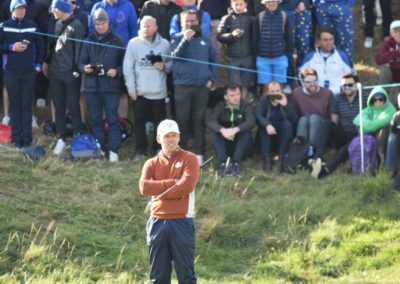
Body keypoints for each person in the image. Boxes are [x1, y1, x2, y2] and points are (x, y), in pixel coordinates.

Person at [139, 119, 200, 284]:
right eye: (166, 136)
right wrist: (173, 183)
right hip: (157, 221)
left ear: (179, 137)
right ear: (159, 139)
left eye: (174, 135)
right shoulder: (151, 163)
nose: (171, 139)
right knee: (158, 277)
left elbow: (186, 186)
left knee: (186, 277)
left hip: (181, 220)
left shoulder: (190, 159)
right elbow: (144, 187)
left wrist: (158, 189)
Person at [170, 9, 217, 165]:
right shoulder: (176, 38)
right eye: (186, 21)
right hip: (182, 85)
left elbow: (213, 61)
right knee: (182, 120)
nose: (190, 24)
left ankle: (199, 153)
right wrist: (185, 39)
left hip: (202, 86)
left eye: (193, 21)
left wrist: (212, 79)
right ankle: (180, 154)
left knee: (199, 119)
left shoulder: (206, 40)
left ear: (198, 22)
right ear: (182, 23)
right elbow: (175, 57)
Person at [79, 8, 125, 162]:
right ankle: (98, 146)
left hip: (111, 86)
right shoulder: (88, 40)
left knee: (112, 119)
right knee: (95, 118)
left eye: (103, 23)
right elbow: (80, 63)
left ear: (108, 23)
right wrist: (84, 68)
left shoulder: (117, 41)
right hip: (92, 86)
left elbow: (124, 64)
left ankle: (114, 150)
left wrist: (117, 72)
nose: (100, 27)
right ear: (94, 24)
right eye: (97, 24)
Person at [123, 15, 171, 160]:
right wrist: (131, 88)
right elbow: (127, 67)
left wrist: (163, 66)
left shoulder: (165, 44)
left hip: (159, 93)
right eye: (143, 26)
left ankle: (158, 149)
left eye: (148, 26)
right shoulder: (133, 43)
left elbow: (172, 64)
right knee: (139, 124)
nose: (145, 29)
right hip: (140, 92)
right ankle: (140, 150)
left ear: (155, 28)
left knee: (159, 125)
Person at [42, 0, 85, 155]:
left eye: (55, 9)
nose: (53, 12)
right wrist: (47, 61)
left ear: (61, 9)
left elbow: (79, 51)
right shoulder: (56, 23)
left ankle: (78, 136)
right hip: (55, 72)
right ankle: (61, 138)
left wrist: (76, 71)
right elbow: (52, 46)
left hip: (70, 73)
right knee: (59, 106)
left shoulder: (77, 26)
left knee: (73, 105)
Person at [0, 0, 44, 148]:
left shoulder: (32, 25)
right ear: (12, 9)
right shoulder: (4, 26)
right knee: (15, 105)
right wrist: (11, 47)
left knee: (26, 105)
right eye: (18, 9)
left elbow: (41, 46)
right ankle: (16, 137)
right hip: (11, 72)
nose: (21, 11)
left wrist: (38, 65)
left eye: (23, 9)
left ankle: (27, 138)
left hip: (28, 72)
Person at [310, 74, 368, 179]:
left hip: (358, 134)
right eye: (344, 85)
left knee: (345, 149)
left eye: (350, 85)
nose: (346, 87)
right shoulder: (338, 98)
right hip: (342, 133)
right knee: (327, 123)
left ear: (356, 85)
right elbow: (334, 120)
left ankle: (327, 169)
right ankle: (317, 157)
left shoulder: (364, 97)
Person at [206, 84, 255, 177]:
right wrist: (222, 130)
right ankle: (223, 164)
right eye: (232, 95)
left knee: (246, 131)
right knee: (216, 131)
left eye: (237, 94)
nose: (236, 98)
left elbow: (251, 121)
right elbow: (211, 120)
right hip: (225, 145)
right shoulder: (220, 106)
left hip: (242, 147)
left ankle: (236, 164)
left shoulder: (246, 106)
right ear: (226, 97)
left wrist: (236, 129)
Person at [217, 0, 256, 101]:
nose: (238, 7)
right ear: (231, 5)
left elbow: (256, 37)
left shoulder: (251, 19)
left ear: (246, 5)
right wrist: (231, 35)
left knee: (246, 84)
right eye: (236, 5)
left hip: (248, 57)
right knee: (235, 84)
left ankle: (243, 105)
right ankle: (236, 105)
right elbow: (219, 36)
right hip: (233, 58)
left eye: (241, 4)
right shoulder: (227, 19)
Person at [292, 68, 334, 160]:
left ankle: (313, 151)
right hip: (305, 125)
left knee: (314, 118)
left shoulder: (327, 93)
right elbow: (296, 112)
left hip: (321, 126)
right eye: (308, 82)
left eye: (315, 81)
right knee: (303, 119)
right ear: (302, 83)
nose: (312, 84)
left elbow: (332, 115)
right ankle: (300, 150)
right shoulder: (296, 93)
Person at [256, 81, 297, 172]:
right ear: (267, 92)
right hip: (267, 136)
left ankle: (281, 155)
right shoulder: (263, 102)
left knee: (287, 124)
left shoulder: (286, 101)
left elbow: (294, 120)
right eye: (272, 91)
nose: (275, 93)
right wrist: (267, 124)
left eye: (278, 91)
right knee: (263, 127)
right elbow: (258, 117)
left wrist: (285, 106)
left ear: (281, 91)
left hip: (282, 137)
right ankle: (267, 158)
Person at [300, 27, 353, 95]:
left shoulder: (342, 56)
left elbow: (350, 76)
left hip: (338, 96)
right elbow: (301, 76)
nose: (328, 42)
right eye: (325, 40)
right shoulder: (310, 57)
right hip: (315, 96)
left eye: (331, 39)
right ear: (319, 41)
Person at [353, 86, 396, 163]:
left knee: (384, 128)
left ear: (385, 99)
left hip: (384, 138)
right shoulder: (370, 109)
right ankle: (365, 160)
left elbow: (383, 121)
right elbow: (356, 119)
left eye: (380, 99)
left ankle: (381, 159)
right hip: (371, 134)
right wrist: (369, 126)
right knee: (360, 129)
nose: (377, 102)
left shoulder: (391, 109)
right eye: (375, 100)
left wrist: (367, 125)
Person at [255, 0, 293, 87]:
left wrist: (288, 53)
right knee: (265, 86)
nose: (271, 4)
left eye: (274, 1)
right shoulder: (260, 16)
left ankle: (280, 100)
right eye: (269, 2)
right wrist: (257, 52)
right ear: (265, 3)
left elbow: (289, 37)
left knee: (279, 85)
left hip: (280, 56)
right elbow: (255, 38)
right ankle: (266, 100)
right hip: (263, 57)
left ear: (278, 2)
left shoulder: (284, 16)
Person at [375, 20, 400, 106]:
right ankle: (380, 96)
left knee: (395, 86)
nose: (398, 34)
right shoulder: (388, 44)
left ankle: (391, 112)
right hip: (391, 78)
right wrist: (396, 53)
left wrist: (391, 64)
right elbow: (378, 59)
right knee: (385, 69)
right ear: (391, 33)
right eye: (396, 32)